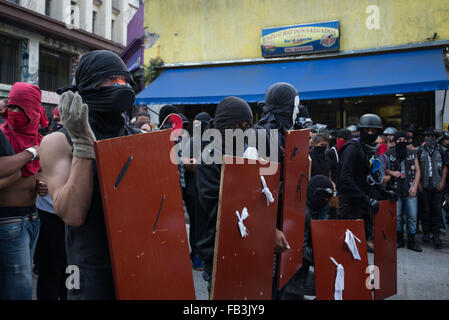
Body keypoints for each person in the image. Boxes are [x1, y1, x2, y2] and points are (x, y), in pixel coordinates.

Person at [39, 50, 139, 300]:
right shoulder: (58, 142)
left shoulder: (139, 138)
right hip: (91, 272)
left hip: (139, 264)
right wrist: (84, 145)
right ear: (89, 86)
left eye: (125, 79)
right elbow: (72, 213)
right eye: (111, 78)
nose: (121, 85)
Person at [196, 96, 271, 295]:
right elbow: (217, 206)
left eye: (247, 126)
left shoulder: (242, 150)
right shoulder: (209, 155)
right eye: (238, 125)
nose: (243, 131)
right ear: (224, 124)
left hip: (243, 238)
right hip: (218, 245)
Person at [0, 82, 49, 300]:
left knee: (17, 281)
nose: (14, 113)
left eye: (21, 108)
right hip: (9, 221)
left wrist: (44, 184)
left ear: (33, 110)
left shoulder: (39, 140)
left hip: (32, 218)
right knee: (21, 288)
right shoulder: (3, 135)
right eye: (11, 107)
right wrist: (30, 153)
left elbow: (42, 174)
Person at [280, 175, 335, 300]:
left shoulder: (311, 208)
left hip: (297, 274)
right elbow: (299, 250)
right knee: (330, 283)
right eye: (325, 198)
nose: (327, 201)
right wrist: (323, 258)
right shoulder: (304, 213)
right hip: (292, 278)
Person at [337, 114, 384, 252]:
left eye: (373, 131)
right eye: (367, 130)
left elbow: (366, 176)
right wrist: (366, 199)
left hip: (362, 202)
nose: (370, 134)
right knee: (350, 244)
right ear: (361, 130)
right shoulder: (352, 148)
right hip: (351, 203)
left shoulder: (365, 147)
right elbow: (345, 178)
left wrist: (383, 191)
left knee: (362, 239)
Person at [182, 112, 212, 271]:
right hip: (195, 190)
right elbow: (187, 163)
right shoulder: (193, 141)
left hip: (200, 190)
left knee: (201, 225)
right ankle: (196, 256)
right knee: (197, 225)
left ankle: (199, 255)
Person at [385, 130, 422, 252]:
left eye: (404, 140)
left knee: (412, 217)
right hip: (395, 190)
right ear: (395, 141)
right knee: (398, 216)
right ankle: (399, 240)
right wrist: (392, 173)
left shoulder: (412, 152)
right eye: (399, 140)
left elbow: (418, 171)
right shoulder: (389, 153)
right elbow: (382, 168)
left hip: (410, 190)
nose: (402, 142)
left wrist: (415, 187)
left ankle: (412, 241)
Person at [416, 127, 447, 249]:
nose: (429, 138)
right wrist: (418, 183)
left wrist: (443, 181)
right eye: (427, 136)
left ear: (436, 137)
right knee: (425, 210)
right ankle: (426, 233)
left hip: (437, 184)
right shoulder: (419, 150)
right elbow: (416, 167)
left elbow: (445, 166)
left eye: (432, 136)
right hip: (424, 185)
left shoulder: (442, 150)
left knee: (437, 210)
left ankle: (436, 235)